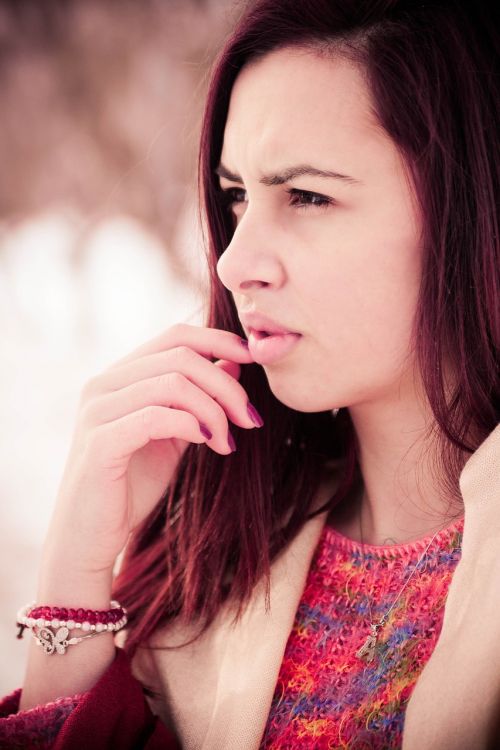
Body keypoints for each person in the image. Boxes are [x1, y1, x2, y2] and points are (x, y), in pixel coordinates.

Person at [1, 0, 499, 747]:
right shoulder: (212, 556)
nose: (235, 263)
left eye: (308, 196)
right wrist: (74, 578)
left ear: (471, 209)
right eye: (237, 197)